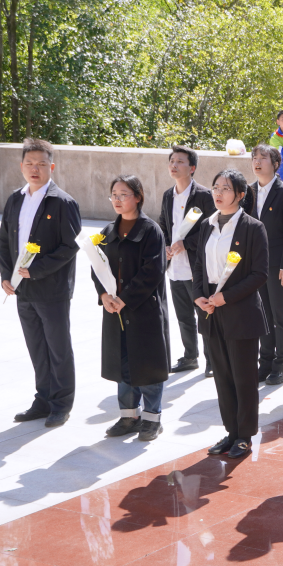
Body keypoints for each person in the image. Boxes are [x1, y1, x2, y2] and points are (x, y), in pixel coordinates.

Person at [0, 138, 81, 427]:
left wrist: (36, 270)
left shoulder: (63, 202)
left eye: (41, 164)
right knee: (36, 347)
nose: (35, 169)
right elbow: (4, 241)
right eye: (30, 163)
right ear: (21, 166)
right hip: (23, 289)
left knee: (58, 348)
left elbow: (70, 246)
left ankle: (61, 404)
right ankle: (43, 400)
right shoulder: (15, 199)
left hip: (52, 289)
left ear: (51, 167)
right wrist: (6, 275)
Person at [194, 168, 270, 460]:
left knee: (243, 377)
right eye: (215, 187)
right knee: (222, 376)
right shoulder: (207, 225)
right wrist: (198, 296)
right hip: (211, 311)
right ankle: (230, 431)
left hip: (240, 311)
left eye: (225, 188)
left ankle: (245, 435)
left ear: (240, 195)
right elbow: (199, 264)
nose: (218, 193)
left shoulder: (253, 227)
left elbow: (259, 274)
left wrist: (226, 297)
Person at [94, 175, 170, 442]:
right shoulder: (107, 232)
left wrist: (125, 298)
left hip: (143, 310)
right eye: (113, 194)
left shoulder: (150, 231)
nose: (117, 199)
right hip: (115, 311)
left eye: (123, 194)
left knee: (147, 365)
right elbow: (97, 268)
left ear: (138, 197)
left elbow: (153, 271)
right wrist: (104, 295)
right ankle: (129, 416)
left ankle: (152, 419)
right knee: (122, 363)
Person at [242, 144, 283, 385]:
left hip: (277, 265)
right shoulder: (248, 191)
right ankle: (264, 363)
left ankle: (281, 364)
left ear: (275, 164)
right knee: (261, 314)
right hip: (255, 265)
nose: (257, 161)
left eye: (263, 158)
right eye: (254, 157)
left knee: (279, 313)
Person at [158, 145, 215, 375]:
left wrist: (186, 243)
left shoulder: (203, 195)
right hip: (175, 267)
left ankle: (212, 360)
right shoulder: (167, 195)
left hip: (196, 267)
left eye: (180, 161)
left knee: (204, 315)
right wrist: (165, 245)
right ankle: (190, 356)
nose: (174, 165)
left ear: (192, 168)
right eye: (172, 161)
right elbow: (163, 225)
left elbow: (211, 228)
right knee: (183, 317)